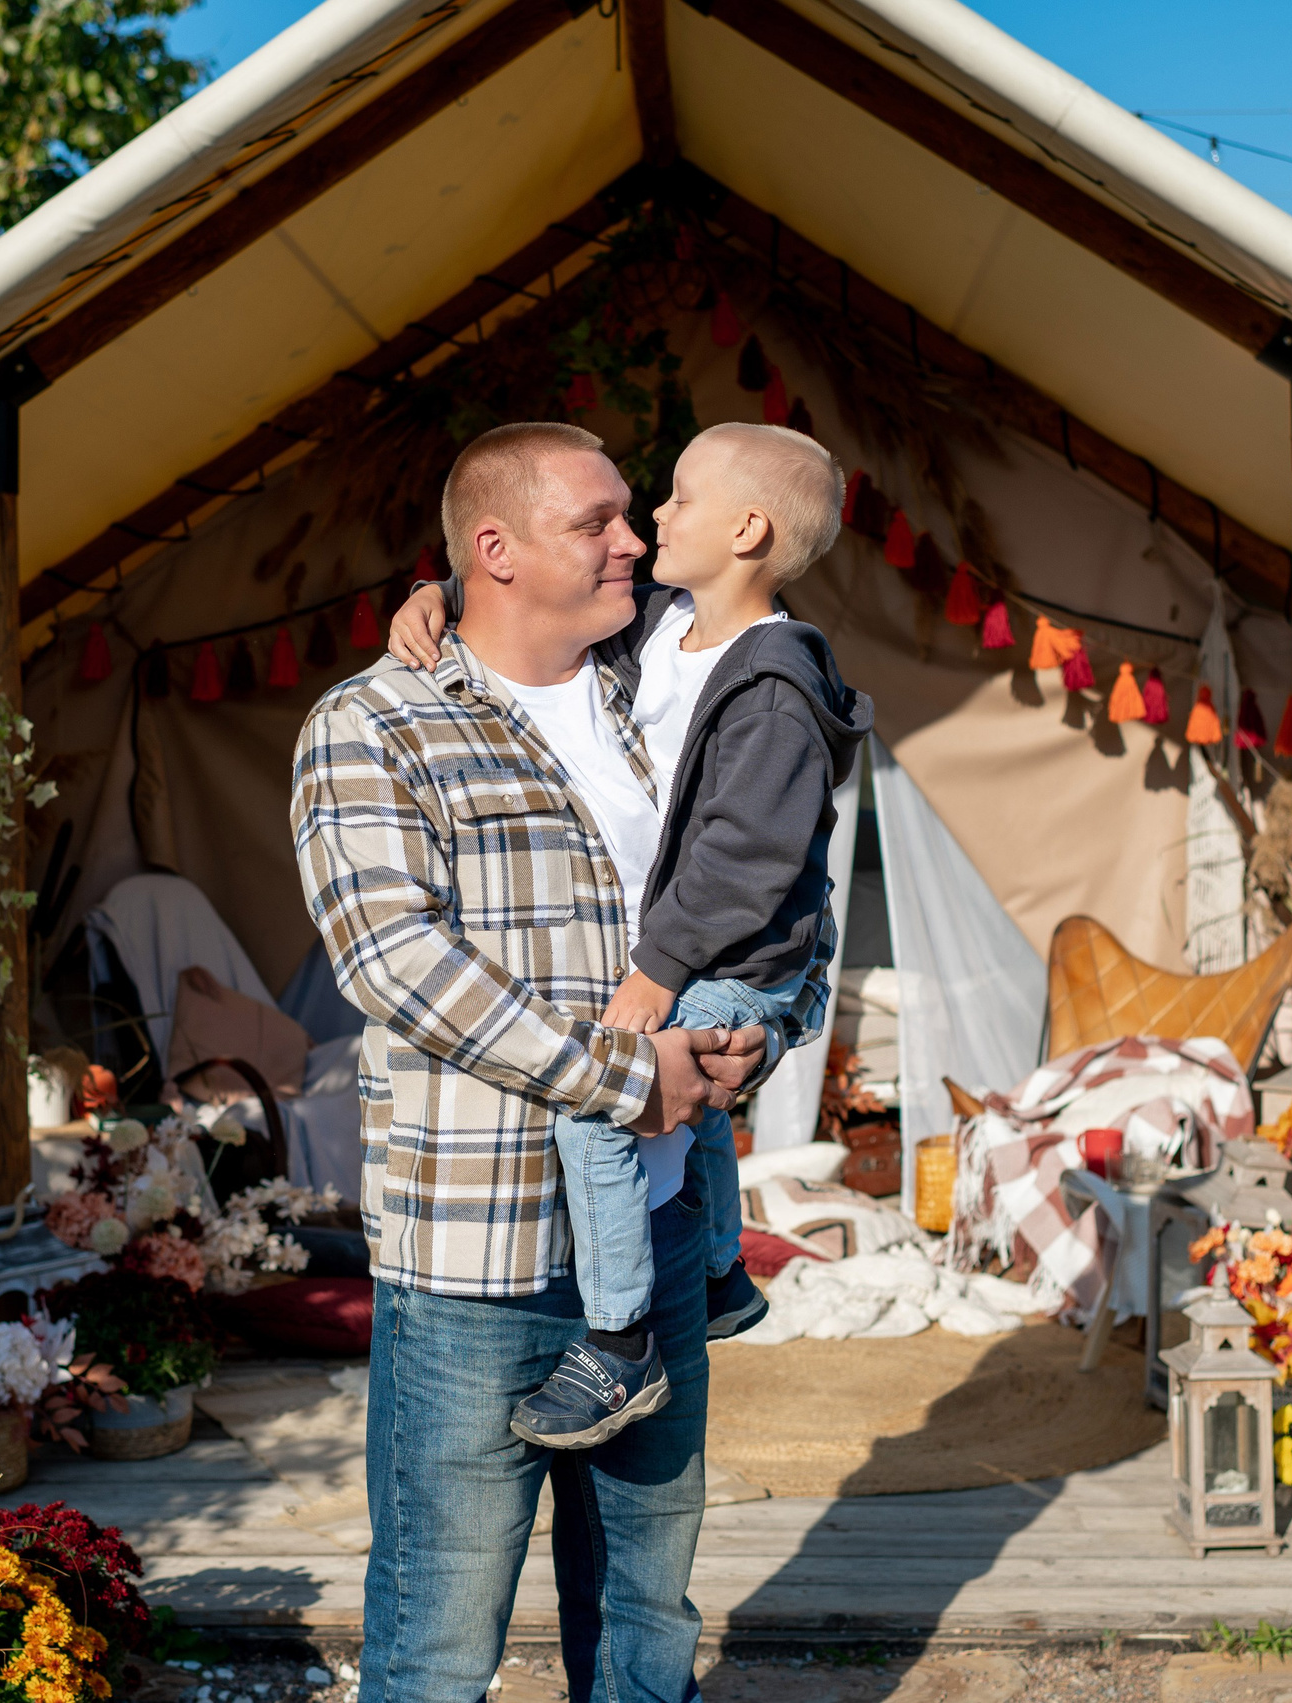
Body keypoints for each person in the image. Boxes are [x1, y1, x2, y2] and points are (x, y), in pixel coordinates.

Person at [291, 421, 831, 1703]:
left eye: (635, 515)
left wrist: (762, 1031)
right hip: (479, 1261)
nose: (632, 538)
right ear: (495, 550)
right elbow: (395, 962)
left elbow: (782, 892)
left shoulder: (668, 693)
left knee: (647, 1622)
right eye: (596, 522)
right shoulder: (375, 723)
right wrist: (632, 1077)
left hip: (658, 1241)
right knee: (439, 1643)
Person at [389, 422, 871, 1447]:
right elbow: (514, 593)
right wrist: (439, 594)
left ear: (746, 530)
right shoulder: (659, 629)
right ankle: (722, 1269)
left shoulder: (775, 682)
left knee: (602, 1112)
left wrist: (657, 973)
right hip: (705, 954)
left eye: (678, 498)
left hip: (734, 955)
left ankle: (618, 1341)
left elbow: (749, 856)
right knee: (694, 1109)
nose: (651, 523)